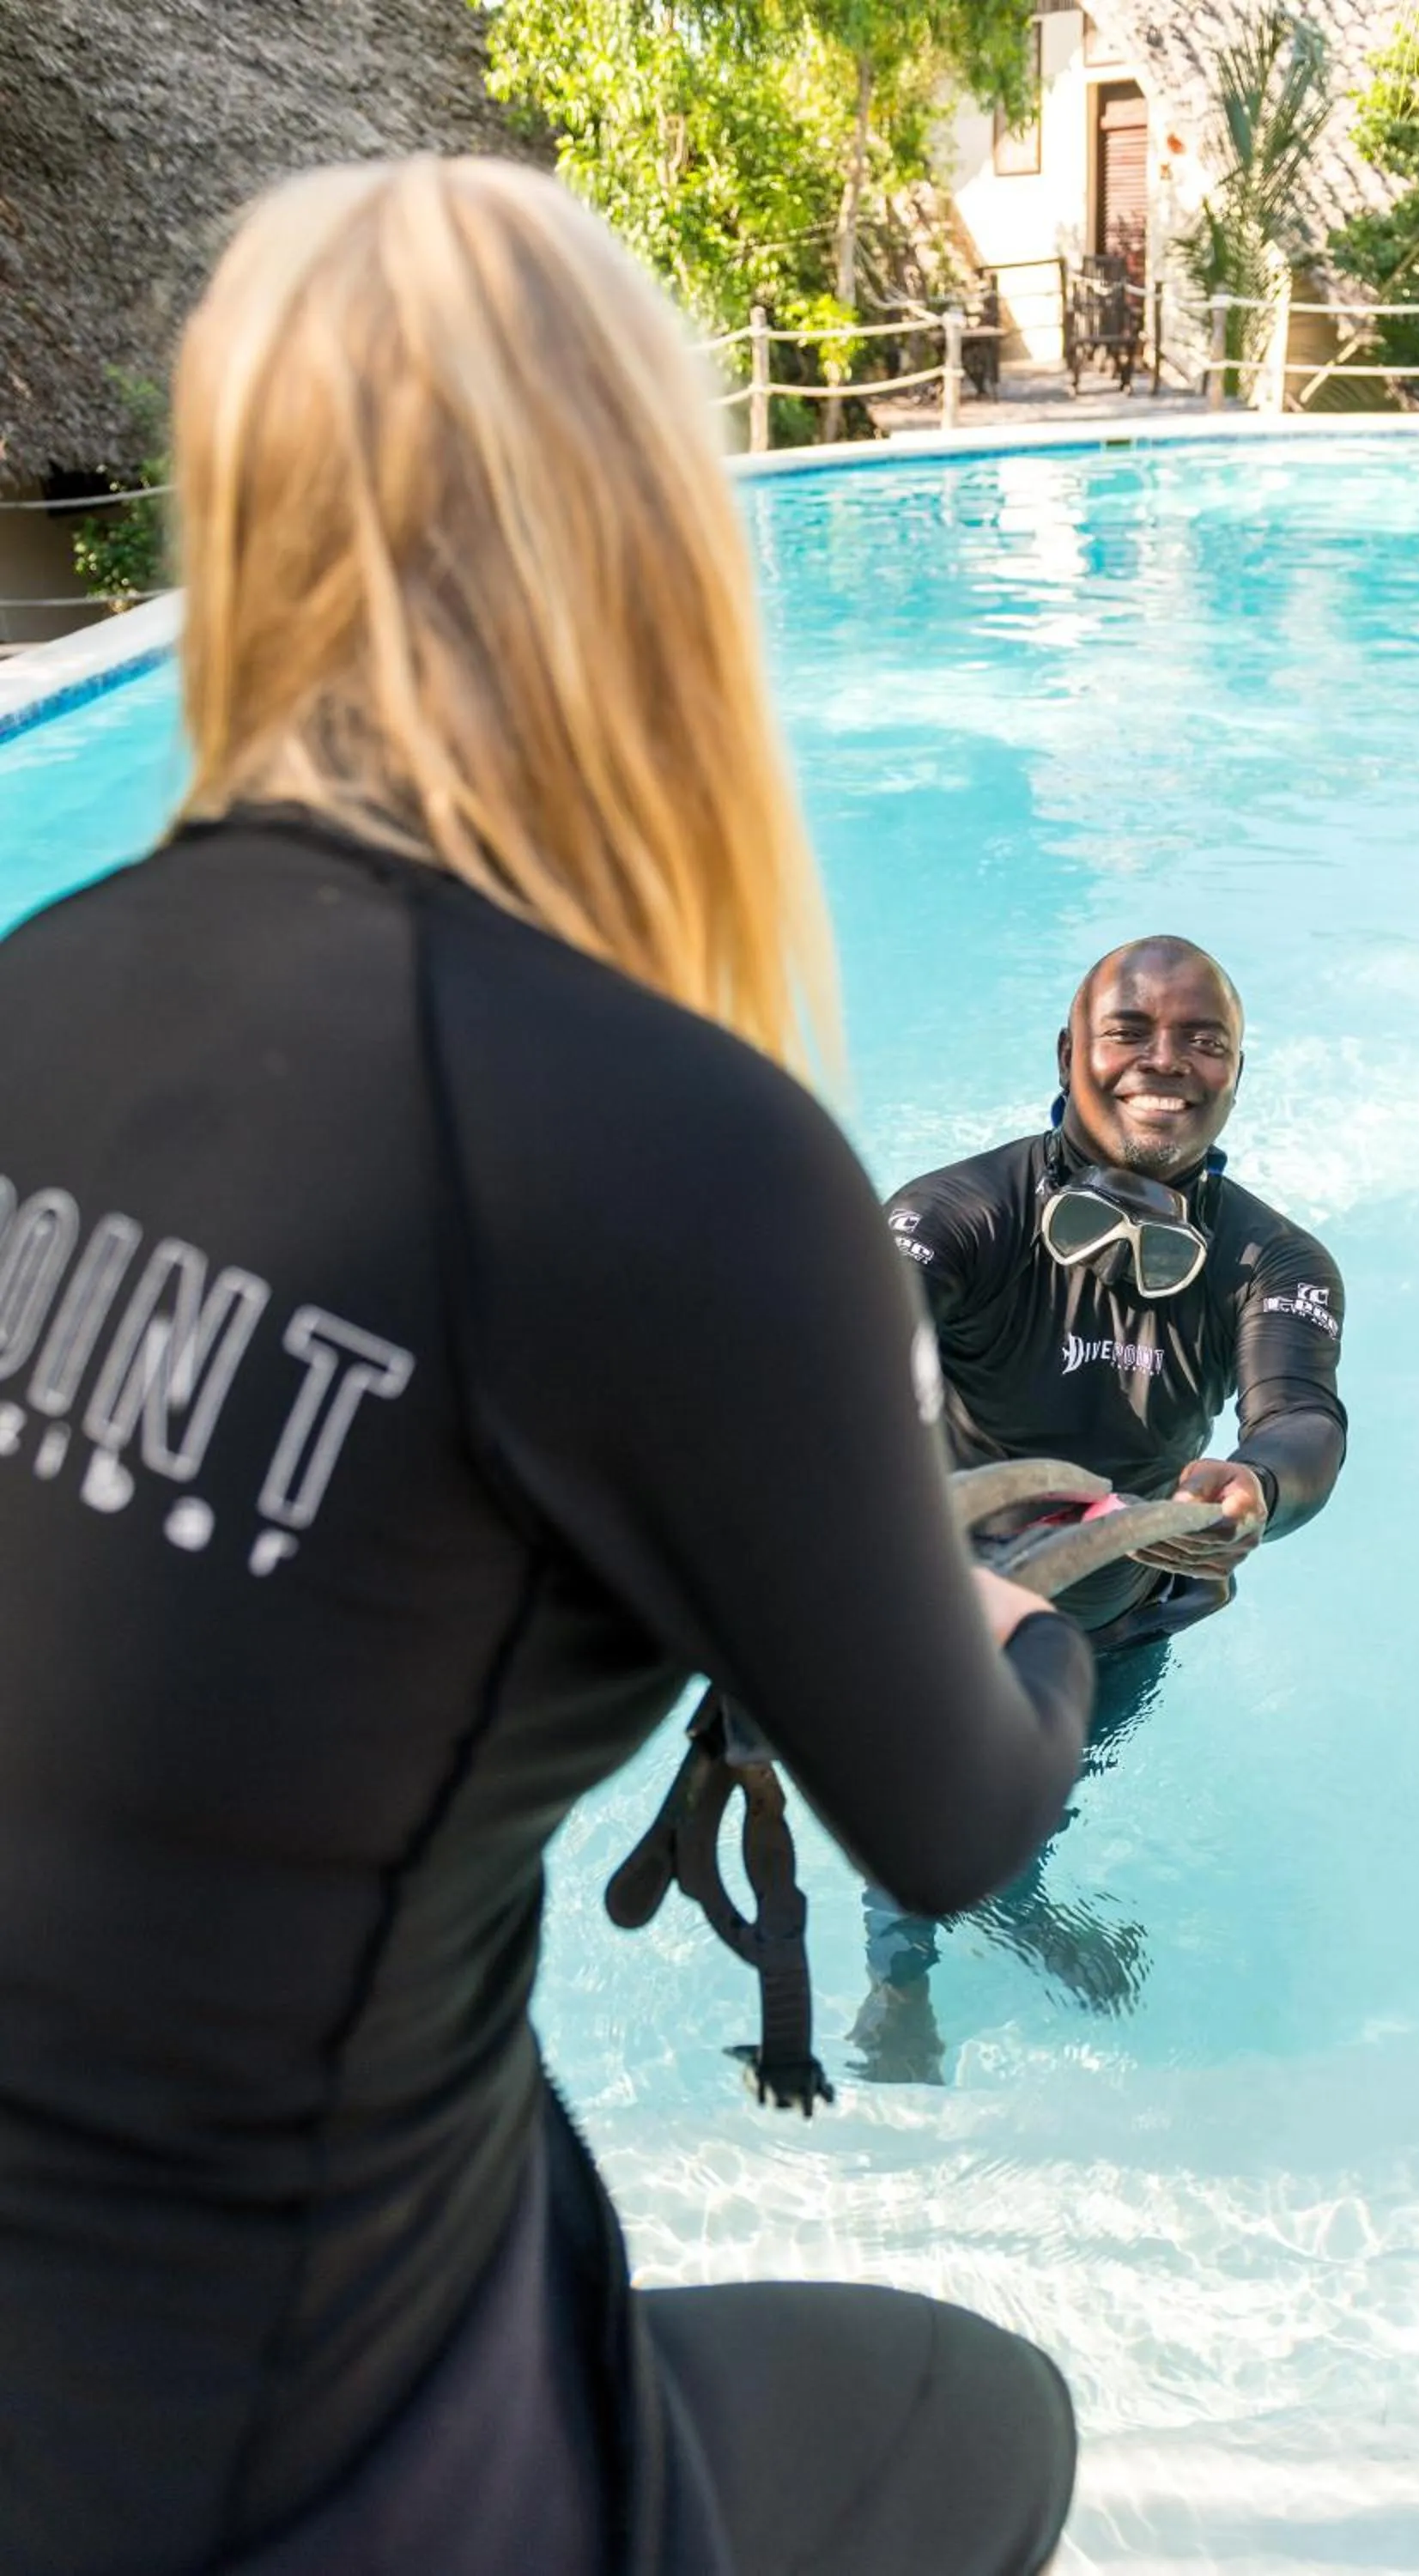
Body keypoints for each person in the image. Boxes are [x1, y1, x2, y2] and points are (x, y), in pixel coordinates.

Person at [0, 159, 1094, 2576]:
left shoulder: (35, 979)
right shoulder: (674, 1160)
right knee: (982, 2430)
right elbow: (949, 1813)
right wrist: (1029, 1604)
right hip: (273, 2475)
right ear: (644, 551)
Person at [853, 938, 1347, 2078]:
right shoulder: (956, 1214)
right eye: (1130, 1031)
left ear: (1235, 1070)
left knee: (1039, 1803)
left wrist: (1257, 1484)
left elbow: (1302, 1414)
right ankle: (899, 1986)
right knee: (935, 1786)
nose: (1163, 1063)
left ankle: (1011, 1903)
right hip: (948, 1595)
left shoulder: (1273, 1260)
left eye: (1202, 1039)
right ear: (1070, 1051)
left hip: (1125, 1610)